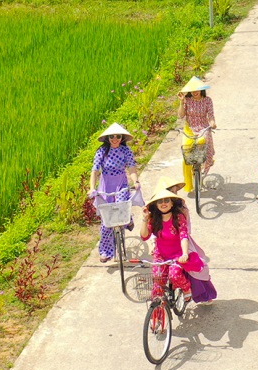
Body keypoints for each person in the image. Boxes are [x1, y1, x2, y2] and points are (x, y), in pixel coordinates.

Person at [140, 177, 217, 303]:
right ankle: (156, 316)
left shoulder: (179, 216)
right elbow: (144, 236)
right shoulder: (153, 218)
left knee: (175, 275)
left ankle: (187, 289)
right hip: (161, 254)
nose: (163, 203)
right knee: (157, 280)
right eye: (160, 201)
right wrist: (144, 218)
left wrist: (185, 253)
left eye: (167, 200)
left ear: (172, 202)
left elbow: (184, 235)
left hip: (178, 253)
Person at [89, 123, 141, 264]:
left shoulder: (126, 151)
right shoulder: (101, 151)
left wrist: (135, 181)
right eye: (112, 136)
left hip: (121, 183)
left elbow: (131, 168)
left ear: (122, 137)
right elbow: (94, 170)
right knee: (107, 221)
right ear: (108, 138)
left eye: (118, 136)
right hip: (106, 185)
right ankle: (105, 251)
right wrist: (92, 187)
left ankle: (128, 218)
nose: (115, 139)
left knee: (122, 206)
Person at [176, 76, 216, 192]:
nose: (195, 92)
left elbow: (211, 115)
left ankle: (206, 162)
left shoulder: (207, 100)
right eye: (192, 90)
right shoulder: (187, 100)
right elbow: (181, 115)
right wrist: (181, 102)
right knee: (186, 157)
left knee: (202, 142)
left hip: (203, 127)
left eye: (197, 90)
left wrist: (213, 123)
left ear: (201, 90)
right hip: (190, 128)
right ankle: (188, 184)